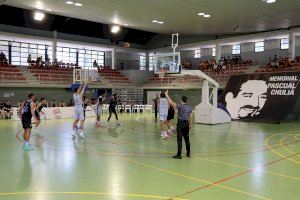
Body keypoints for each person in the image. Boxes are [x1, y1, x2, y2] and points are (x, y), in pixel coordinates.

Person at [165, 91, 192, 159]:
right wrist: (190, 125)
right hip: (187, 124)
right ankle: (188, 153)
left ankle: (179, 155)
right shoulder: (189, 107)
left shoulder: (180, 106)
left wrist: (167, 95)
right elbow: (190, 117)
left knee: (179, 139)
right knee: (187, 139)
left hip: (180, 124)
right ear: (186, 100)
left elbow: (171, 103)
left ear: (181, 100)